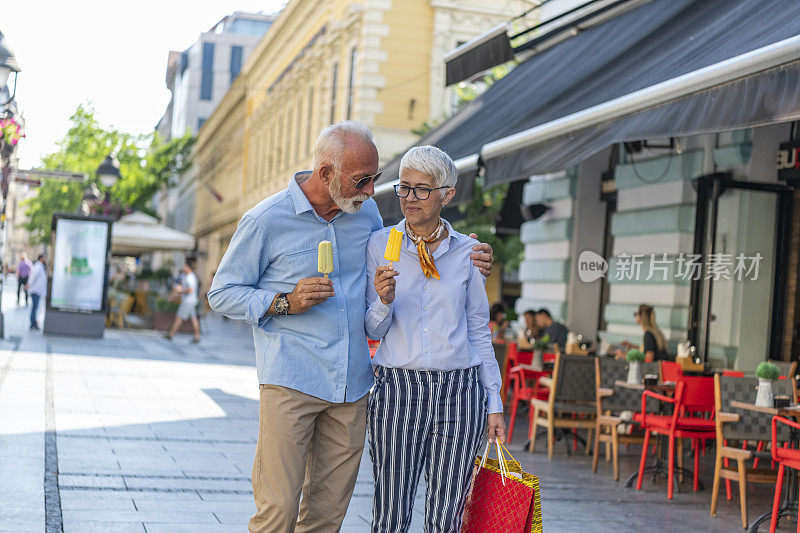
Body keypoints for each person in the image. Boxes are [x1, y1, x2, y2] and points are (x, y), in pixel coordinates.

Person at [207, 121, 494, 533]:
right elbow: (222, 293)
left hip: (353, 385)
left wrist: (463, 249)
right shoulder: (265, 220)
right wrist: (283, 301)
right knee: (278, 511)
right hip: (292, 379)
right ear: (326, 173)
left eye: (375, 179)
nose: (370, 190)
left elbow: (405, 255)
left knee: (327, 517)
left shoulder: (366, 212)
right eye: (362, 180)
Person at [366, 145, 505, 532]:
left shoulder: (469, 253)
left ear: (447, 194)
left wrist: (493, 401)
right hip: (397, 388)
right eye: (404, 187)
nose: (410, 198)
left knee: (447, 515)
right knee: (390, 511)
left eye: (422, 189)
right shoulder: (380, 246)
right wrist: (383, 300)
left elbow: (479, 330)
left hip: (459, 392)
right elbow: (372, 329)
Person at [166, 260, 201, 343]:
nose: (183, 268)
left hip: (187, 302)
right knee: (193, 319)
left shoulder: (190, 277)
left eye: (185, 266)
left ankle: (171, 335)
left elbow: (190, 289)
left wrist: (180, 290)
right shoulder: (189, 276)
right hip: (191, 301)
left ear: (188, 267)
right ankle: (197, 336)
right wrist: (175, 296)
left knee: (179, 318)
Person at [27, 254, 47, 330]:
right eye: (44, 258)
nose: (45, 259)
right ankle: (33, 323)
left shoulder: (40, 266)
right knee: (34, 307)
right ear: (41, 258)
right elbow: (32, 278)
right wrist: (29, 286)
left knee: (35, 307)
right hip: (35, 290)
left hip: (37, 290)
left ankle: (34, 322)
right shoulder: (38, 267)